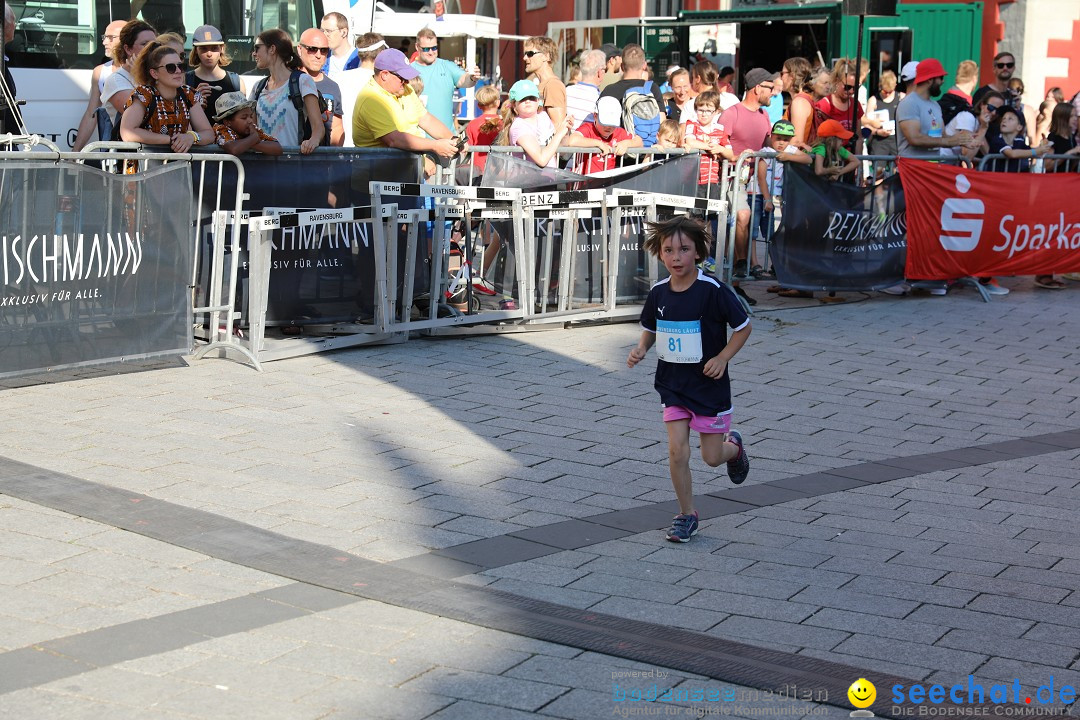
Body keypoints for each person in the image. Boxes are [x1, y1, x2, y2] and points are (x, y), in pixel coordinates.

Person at [627, 215, 752, 543]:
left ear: (698, 252)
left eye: (684, 249)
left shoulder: (713, 291)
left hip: (709, 387)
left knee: (711, 458)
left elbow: (743, 328)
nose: (676, 257)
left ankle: (734, 449)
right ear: (660, 254)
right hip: (673, 385)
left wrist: (722, 357)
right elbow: (651, 329)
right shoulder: (658, 293)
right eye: (668, 250)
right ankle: (686, 514)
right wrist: (641, 348)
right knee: (677, 451)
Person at [720, 67, 774, 303]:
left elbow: (771, 144)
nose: (773, 93)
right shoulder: (732, 113)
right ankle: (740, 266)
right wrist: (733, 157)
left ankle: (736, 280)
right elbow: (719, 143)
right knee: (743, 215)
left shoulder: (764, 116)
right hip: (726, 179)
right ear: (757, 88)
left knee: (743, 220)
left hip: (747, 180)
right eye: (770, 88)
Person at [351, 48, 459, 162]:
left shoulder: (405, 89)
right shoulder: (371, 98)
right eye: (402, 78)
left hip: (402, 168)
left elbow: (426, 119)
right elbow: (394, 139)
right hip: (376, 173)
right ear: (384, 75)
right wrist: (434, 146)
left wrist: (453, 139)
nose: (407, 81)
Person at [118, 41, 214, 151]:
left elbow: (209, 134)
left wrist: (192, 137)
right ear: (154, 73)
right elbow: (127, 132)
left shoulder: (188, 94)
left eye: (181, 66)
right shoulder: (144, 94)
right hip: (145, 165)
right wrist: (170, 140)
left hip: (179, 165)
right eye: (171, 68)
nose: (178, 71)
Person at [249, 29, 324, 153]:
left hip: (291, 164)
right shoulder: (258, 87)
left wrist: (312, 141)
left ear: (272, 49)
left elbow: (318, 127)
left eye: (257, 48)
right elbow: (252, 129)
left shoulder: (303, 81)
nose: (253, 53)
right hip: (261, 165)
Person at [897, 58, 977, 159]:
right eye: (941, 77)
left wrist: (963, 140)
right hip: (912, 169)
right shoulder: (909, 103)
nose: (943, 81)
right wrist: (949, 141)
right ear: (930, 79)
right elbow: (914, 138)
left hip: (931, 167)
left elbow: (942, 136)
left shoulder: (935, 105)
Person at [411, 27, 480, 132]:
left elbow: (464, 80)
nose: (431, 52)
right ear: (417, 47)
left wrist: (472, 77)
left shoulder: (447, 66)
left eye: (434, 48)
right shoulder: (409, 70)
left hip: (446, 138)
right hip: (419, 139)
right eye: (426, 49)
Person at [72, 19, 126, 150]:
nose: (104, 42)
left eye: (111, 38)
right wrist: (74, 153)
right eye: (104, 37)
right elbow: (91, 113)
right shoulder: (100, 71)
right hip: (111, 146)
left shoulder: (143, 71)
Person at [496, 78, 571, 169]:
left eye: (531, 97)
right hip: (528, 181)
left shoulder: (544, 117)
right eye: (522, 99)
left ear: (538, 100)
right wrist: (559, 134)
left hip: (549, 179)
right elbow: (541, 160)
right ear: (514, 105)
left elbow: (560, 151)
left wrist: (566, 131)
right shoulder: (518, 126)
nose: (527, 101)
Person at [599, 43, 665, 147]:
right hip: (647, 153)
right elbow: (662, 121)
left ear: (622, 66)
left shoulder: (610, 90)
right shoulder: (652, 88)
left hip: (618, 154)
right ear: (644, 65)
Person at [101, 20, 157, 133]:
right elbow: (147, 119)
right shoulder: (116, 80)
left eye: (154, 44)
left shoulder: (157, 74)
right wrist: (141, 77)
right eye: (144, 44)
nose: (152, 49)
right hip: (131, 148)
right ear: (128, 49)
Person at [564, 95, 642, 174]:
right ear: (595, 116)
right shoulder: (588, 128)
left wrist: (626, 143)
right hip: (582, 183)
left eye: (612, 124)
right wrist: (599, 144)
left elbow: (639, 141)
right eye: (604, 123)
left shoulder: (618, 132)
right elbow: (572, 141)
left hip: (606, 183)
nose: (608, 127)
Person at [682, 91, 733, 199]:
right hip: (694, 179)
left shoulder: (720, 129)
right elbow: (690, 141)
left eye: (709, 111)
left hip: (712, 179)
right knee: (695, 213)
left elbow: (730, 154)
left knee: (711, 213)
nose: (704, 114)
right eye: (701, 110)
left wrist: (720, 149)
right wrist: (710, 148)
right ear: (696, 110)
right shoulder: (692, 123)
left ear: (715, 111)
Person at [297, 28, 344, 146]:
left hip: (322, 159)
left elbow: (336, 129)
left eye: (324, 50)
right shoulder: (288, 81)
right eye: (312, 49)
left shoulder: (333, 87)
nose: (318, 55)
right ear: (299, 49)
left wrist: (334, 158)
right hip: (290, 156)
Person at [337, 33, 386, 147]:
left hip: (342, 146)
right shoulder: (382, 80)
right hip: (369, 149)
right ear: (381, 53)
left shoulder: (339, 77)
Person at [185, 25, 244, 118]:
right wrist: (193, 102)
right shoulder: (186, 81)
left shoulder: (236, 81)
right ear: (196, 50)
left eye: (214, 48)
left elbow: (244, 117)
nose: (209, 54)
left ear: (222, 48)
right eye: (203, 48)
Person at [815, 59, 863, 154]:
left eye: (855, 88)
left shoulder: (856, 105)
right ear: (837, 81)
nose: (851, 91)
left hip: (850, 160)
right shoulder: (824, 105)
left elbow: (858, 137)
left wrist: (858, 163)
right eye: (847, 87)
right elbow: (819, 138)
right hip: (830, 158)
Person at [212, 91, 281, 156]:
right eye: (244, 118)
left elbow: (278, 148)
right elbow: (234, 149)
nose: (250, 120)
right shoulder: (221, 130)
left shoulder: (253, 130)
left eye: (251, 116)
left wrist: (249, 142)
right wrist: (254, 138)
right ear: (227, 122)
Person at [523, 36, 566, 129]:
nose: (525, 58)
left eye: (530, 53)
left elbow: (558, 126)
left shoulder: (553, 85)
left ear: (546, 56)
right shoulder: (540, 85)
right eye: (525, 54)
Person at [462, 84, 502, 176]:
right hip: (499, 171)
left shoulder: (472, 124)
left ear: (479, 105)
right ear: (498, 103)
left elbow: (468, 149)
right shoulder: (503, 124)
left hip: (477, 171)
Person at [788, 66, 830, 148]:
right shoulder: (802, 102)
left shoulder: (817, 104)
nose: (828, 87)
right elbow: (796, 142)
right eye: (825, 83)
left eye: (830, 83)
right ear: (812, 84)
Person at [565, 48, 604, 131]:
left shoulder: (566, 91)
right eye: (605, 70)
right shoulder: (600, 100)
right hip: (590, 142)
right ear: (600, 73)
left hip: (565, 142)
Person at [864, 70, 900, 156]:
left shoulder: (901, 98)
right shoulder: (873, 100)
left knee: (898, 168)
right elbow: (866, 124)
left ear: (895, 86)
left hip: (896, 141)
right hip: (879, 142)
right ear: (880, 86)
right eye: (884, 91)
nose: (887, 94)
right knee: (878, 169)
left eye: (890, 92)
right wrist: (877, 131)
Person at [319, 12, 357, 79]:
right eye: (322, 31)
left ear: (344, 32)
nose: (324, 35)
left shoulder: (358, 59)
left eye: (329, 31)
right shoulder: (321, 57)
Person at [1046, 102, 1080, 173]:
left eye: (1076, 116)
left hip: (1067, 179)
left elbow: (1071, 164)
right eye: (1071, 116)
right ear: (1062, 118)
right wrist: (1068, 154)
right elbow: (1048, 166)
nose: (1075, 119)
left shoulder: (1071, 137)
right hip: (1055, 180)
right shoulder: (1053, 137)